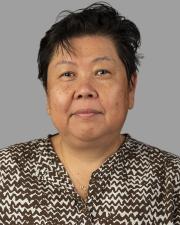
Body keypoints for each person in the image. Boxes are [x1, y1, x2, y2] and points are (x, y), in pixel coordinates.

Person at [0, 2, 179, 225]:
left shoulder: (171, 179)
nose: (84, 90)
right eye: (67, 74)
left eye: (102, 72)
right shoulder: (6, 171)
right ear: (47, 93)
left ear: (130, 88)